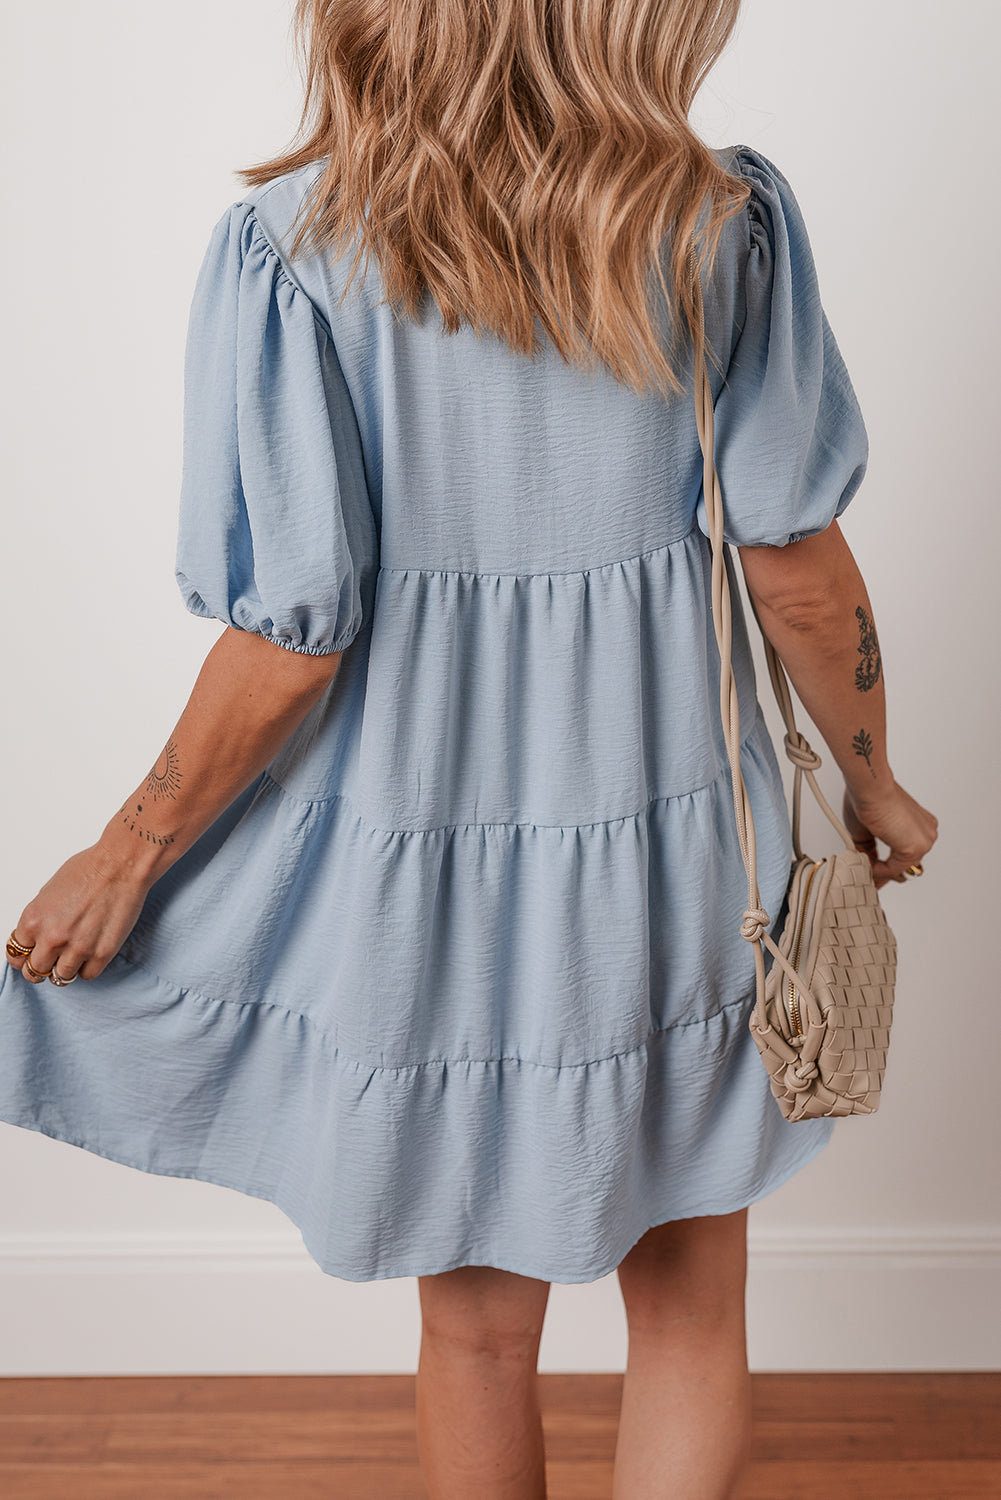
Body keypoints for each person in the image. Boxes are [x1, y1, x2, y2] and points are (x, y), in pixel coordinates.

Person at [1, 0, 937, 1496]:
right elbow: (796, 569)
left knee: (478, 1339)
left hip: (425, 877)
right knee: (691, 1321)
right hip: (677, 842)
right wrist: (872, 774)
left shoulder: (293, 248)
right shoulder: (719, 226)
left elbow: (292, 633)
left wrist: (132, 851)